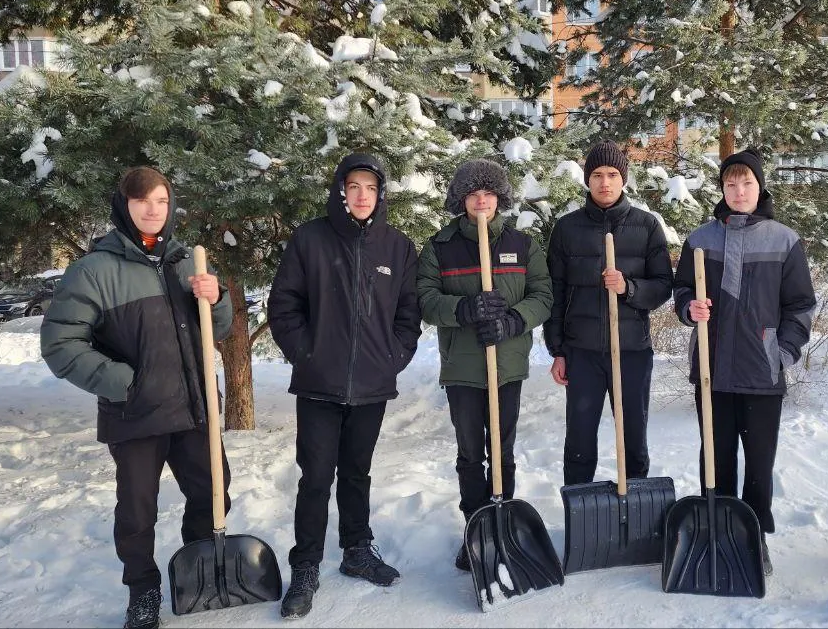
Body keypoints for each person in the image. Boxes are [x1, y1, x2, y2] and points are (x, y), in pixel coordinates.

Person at [41, 166, 234, 629]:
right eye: (142, 200)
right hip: (136, 413)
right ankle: (142, 592)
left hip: (194, 407)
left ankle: (198, 571)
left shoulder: (187, 262)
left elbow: (219, 329)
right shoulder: (94, 271)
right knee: (137, 510)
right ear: (124, 206)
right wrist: (125, 383)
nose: (153, 210)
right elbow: (60, 344)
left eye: (161, 201)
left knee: (213, 493)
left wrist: (217, 298)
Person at [267, 153, 422, 618]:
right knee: (316, 478)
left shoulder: (397, 247)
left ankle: (356, 550)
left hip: (372, 385)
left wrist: (392, 358)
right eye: (353, 186)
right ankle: (306, 566)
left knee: (357, 472)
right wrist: (306, 354)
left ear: (381, 194)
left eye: (370, 188)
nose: (362, 195)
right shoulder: (310, 239)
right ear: (340, 191)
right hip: (319, 384)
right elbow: (283, 305)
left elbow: (409, 313)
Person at [672, 149, 816, 577]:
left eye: (747, 183)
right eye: (731, 184)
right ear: (722, 189)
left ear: (760, 187)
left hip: (762, 372)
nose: (738, 192)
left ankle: (754, 536)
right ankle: (717, 530)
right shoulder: (700, 239)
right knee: (715, 457)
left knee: (758, 461)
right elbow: (682, 290)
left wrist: (782, 353)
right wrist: (689, 307)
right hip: (712, 370)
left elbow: (801, 305)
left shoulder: (784, 240)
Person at [415, 158, 552, 571]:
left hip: (506, 366)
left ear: (499, 199)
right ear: (461, 199)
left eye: (489, 193)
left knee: (503, 451)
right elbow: (425, 300)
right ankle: (475, 528)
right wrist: (464, 308)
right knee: (470, 453)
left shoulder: (522, 245)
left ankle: (502, 525)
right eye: (473, 194)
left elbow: (542, 295)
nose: (481, 201)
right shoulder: (440, 247)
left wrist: (513, 320)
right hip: (463, 368)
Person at [545, 140, 673, 486]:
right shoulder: (567, 228)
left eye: (613, 174)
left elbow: (663, 286)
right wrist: (558, 350)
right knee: (579, 441)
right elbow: (555, 292)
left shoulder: (646, 226)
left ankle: (635, 503)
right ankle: (580, 506)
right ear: (588, 179)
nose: (605, 182)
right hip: (581, 352)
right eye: (598, 175)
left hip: (631, 351)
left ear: (623, 179)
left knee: (633, 438)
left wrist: (628, 288)